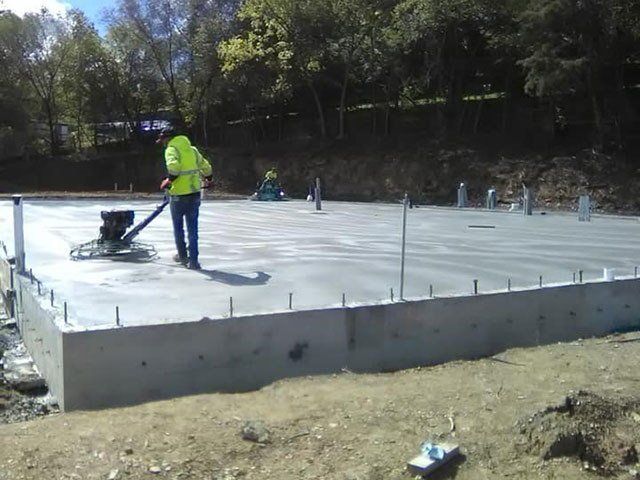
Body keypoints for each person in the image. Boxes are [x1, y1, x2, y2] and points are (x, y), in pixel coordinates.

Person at [157, 127, 212, 270]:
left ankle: (182, 257)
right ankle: (194, 261)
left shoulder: (171, 149)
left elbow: (174, 168)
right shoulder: (192, 150)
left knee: (178, 228)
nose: (163, 143)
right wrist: (209, 179)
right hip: (194, 193)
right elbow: (206, 167)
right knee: (193, 229)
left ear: (167, 138)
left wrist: (168, 180)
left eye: (163, 140)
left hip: (178, 195)